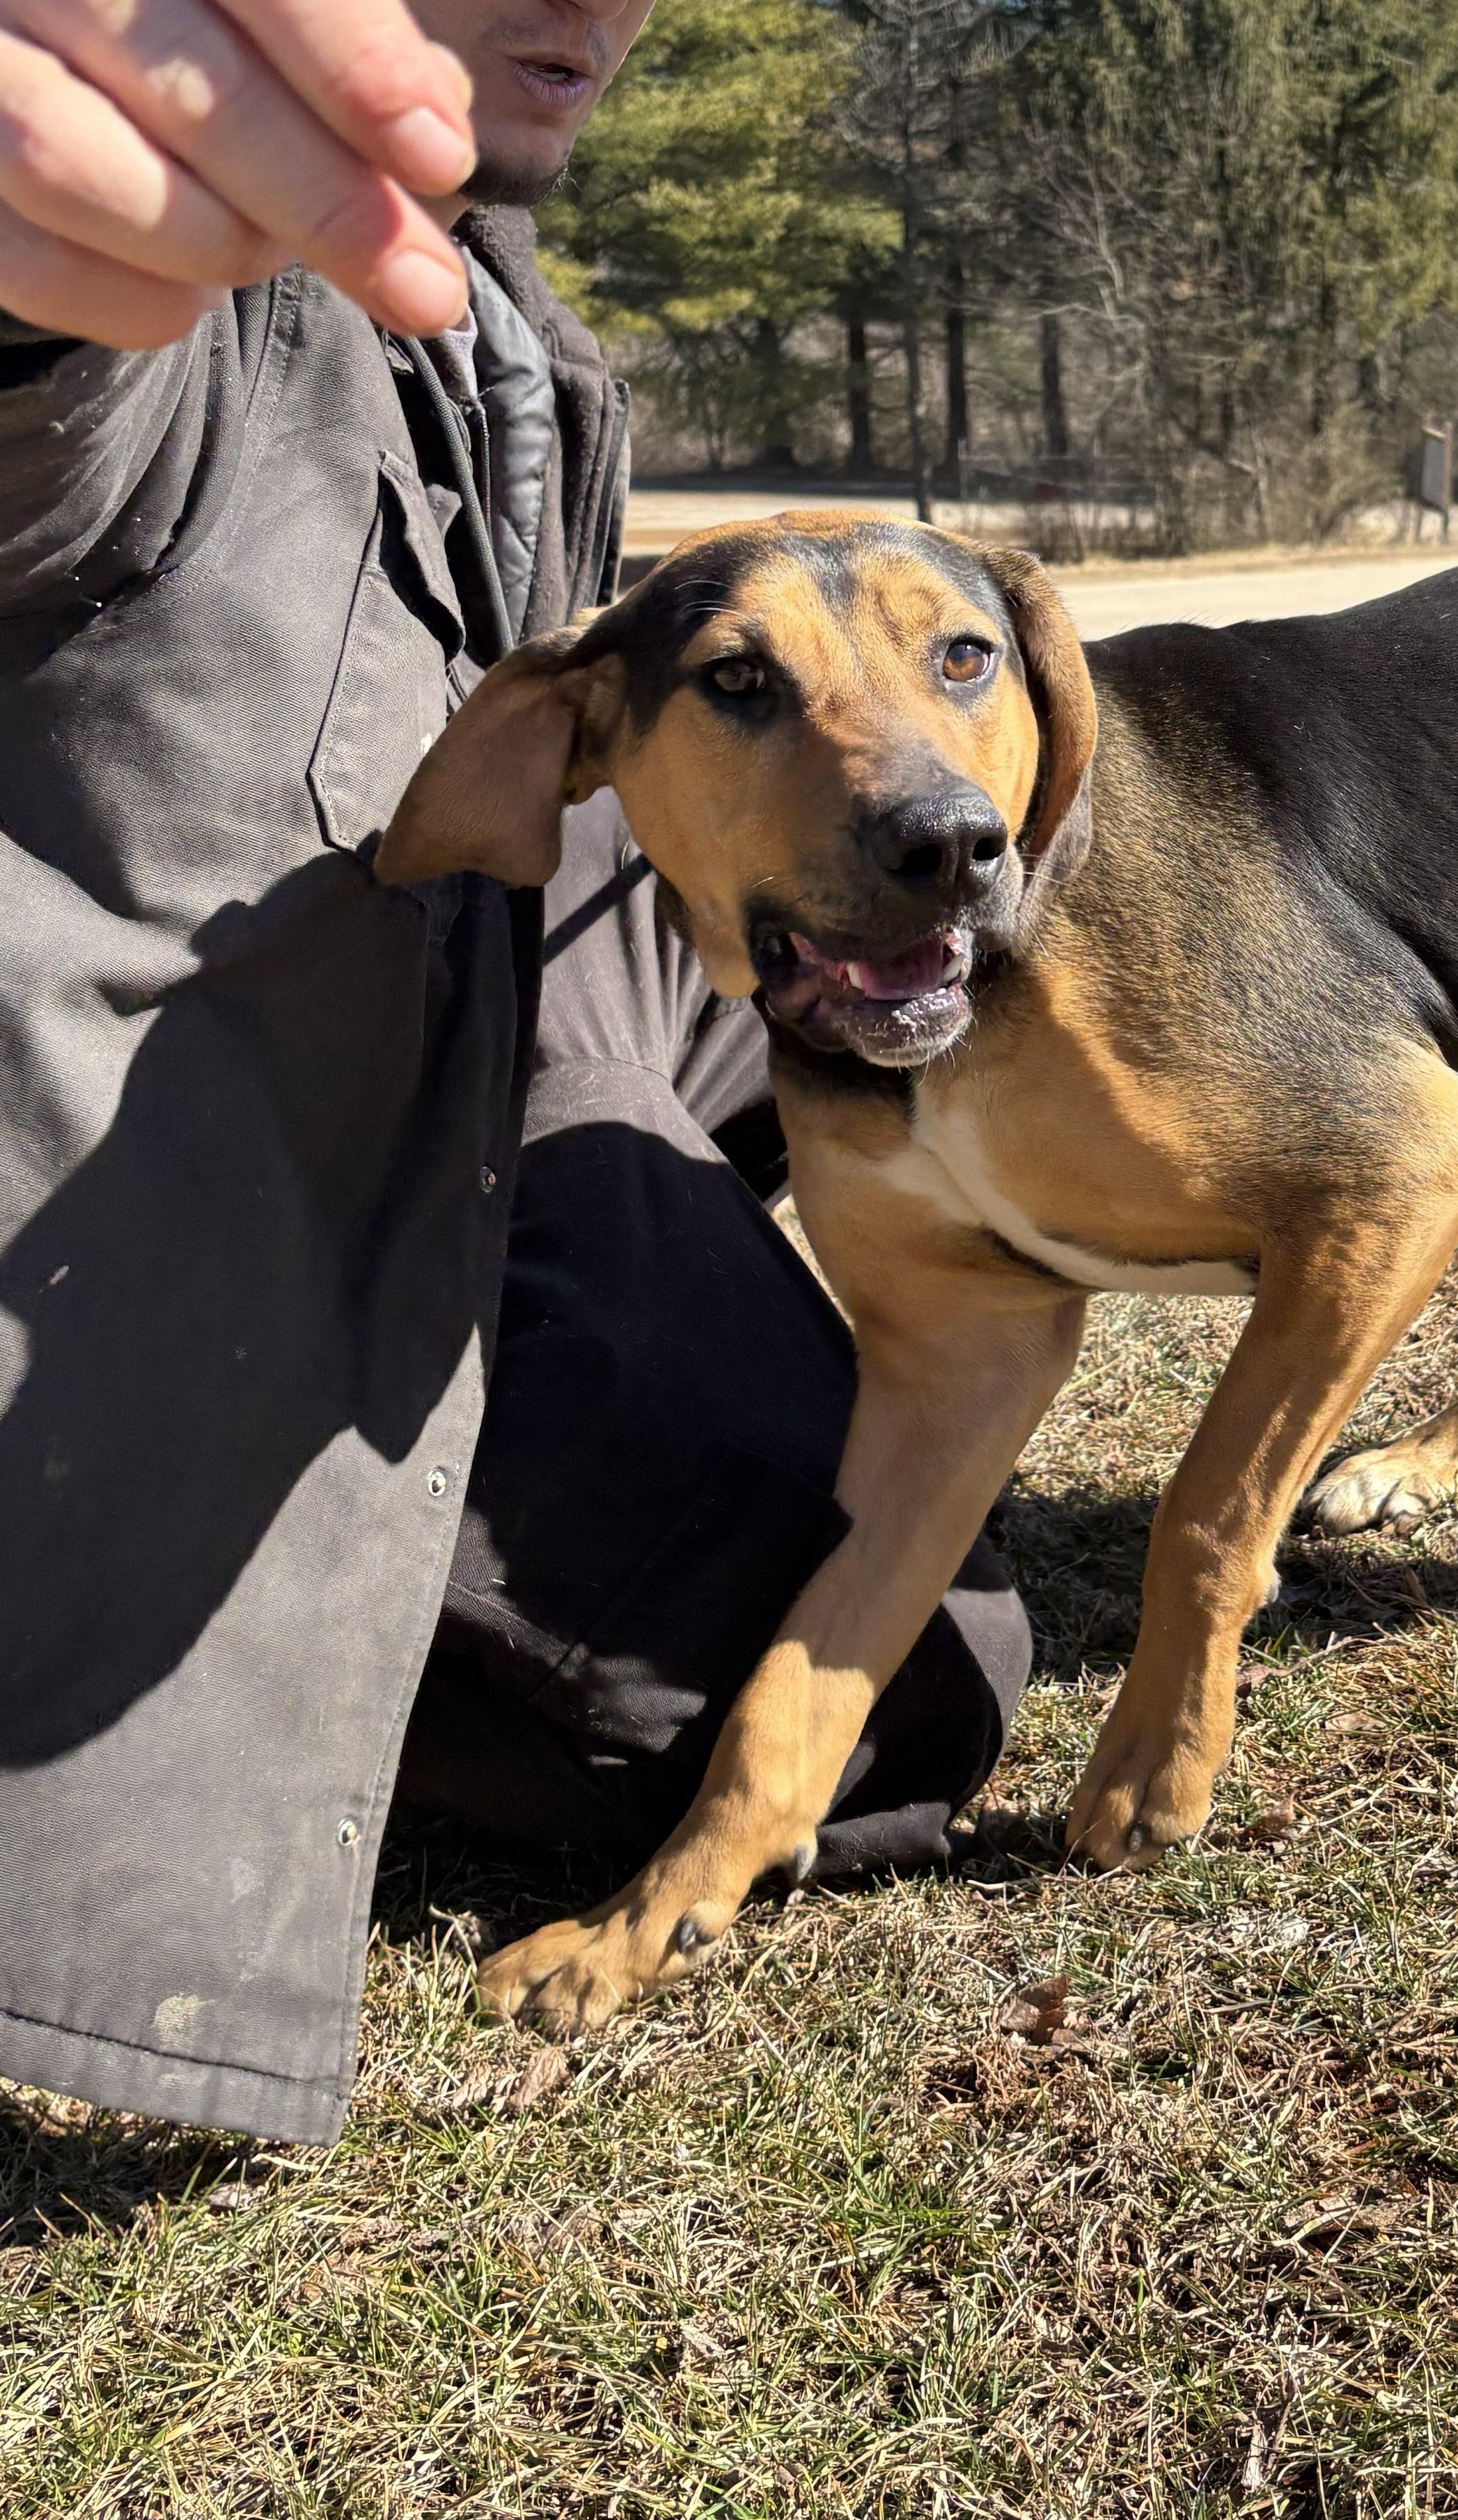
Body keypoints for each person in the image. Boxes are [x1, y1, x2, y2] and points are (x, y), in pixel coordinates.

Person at [0, 0, 1028, 2146]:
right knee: (916, 1699)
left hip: (508, 1080)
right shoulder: (173, 300)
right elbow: (42, 427)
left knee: (934, 1591)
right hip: (213, 1248)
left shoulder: (514, 341)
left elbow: (573, 819)